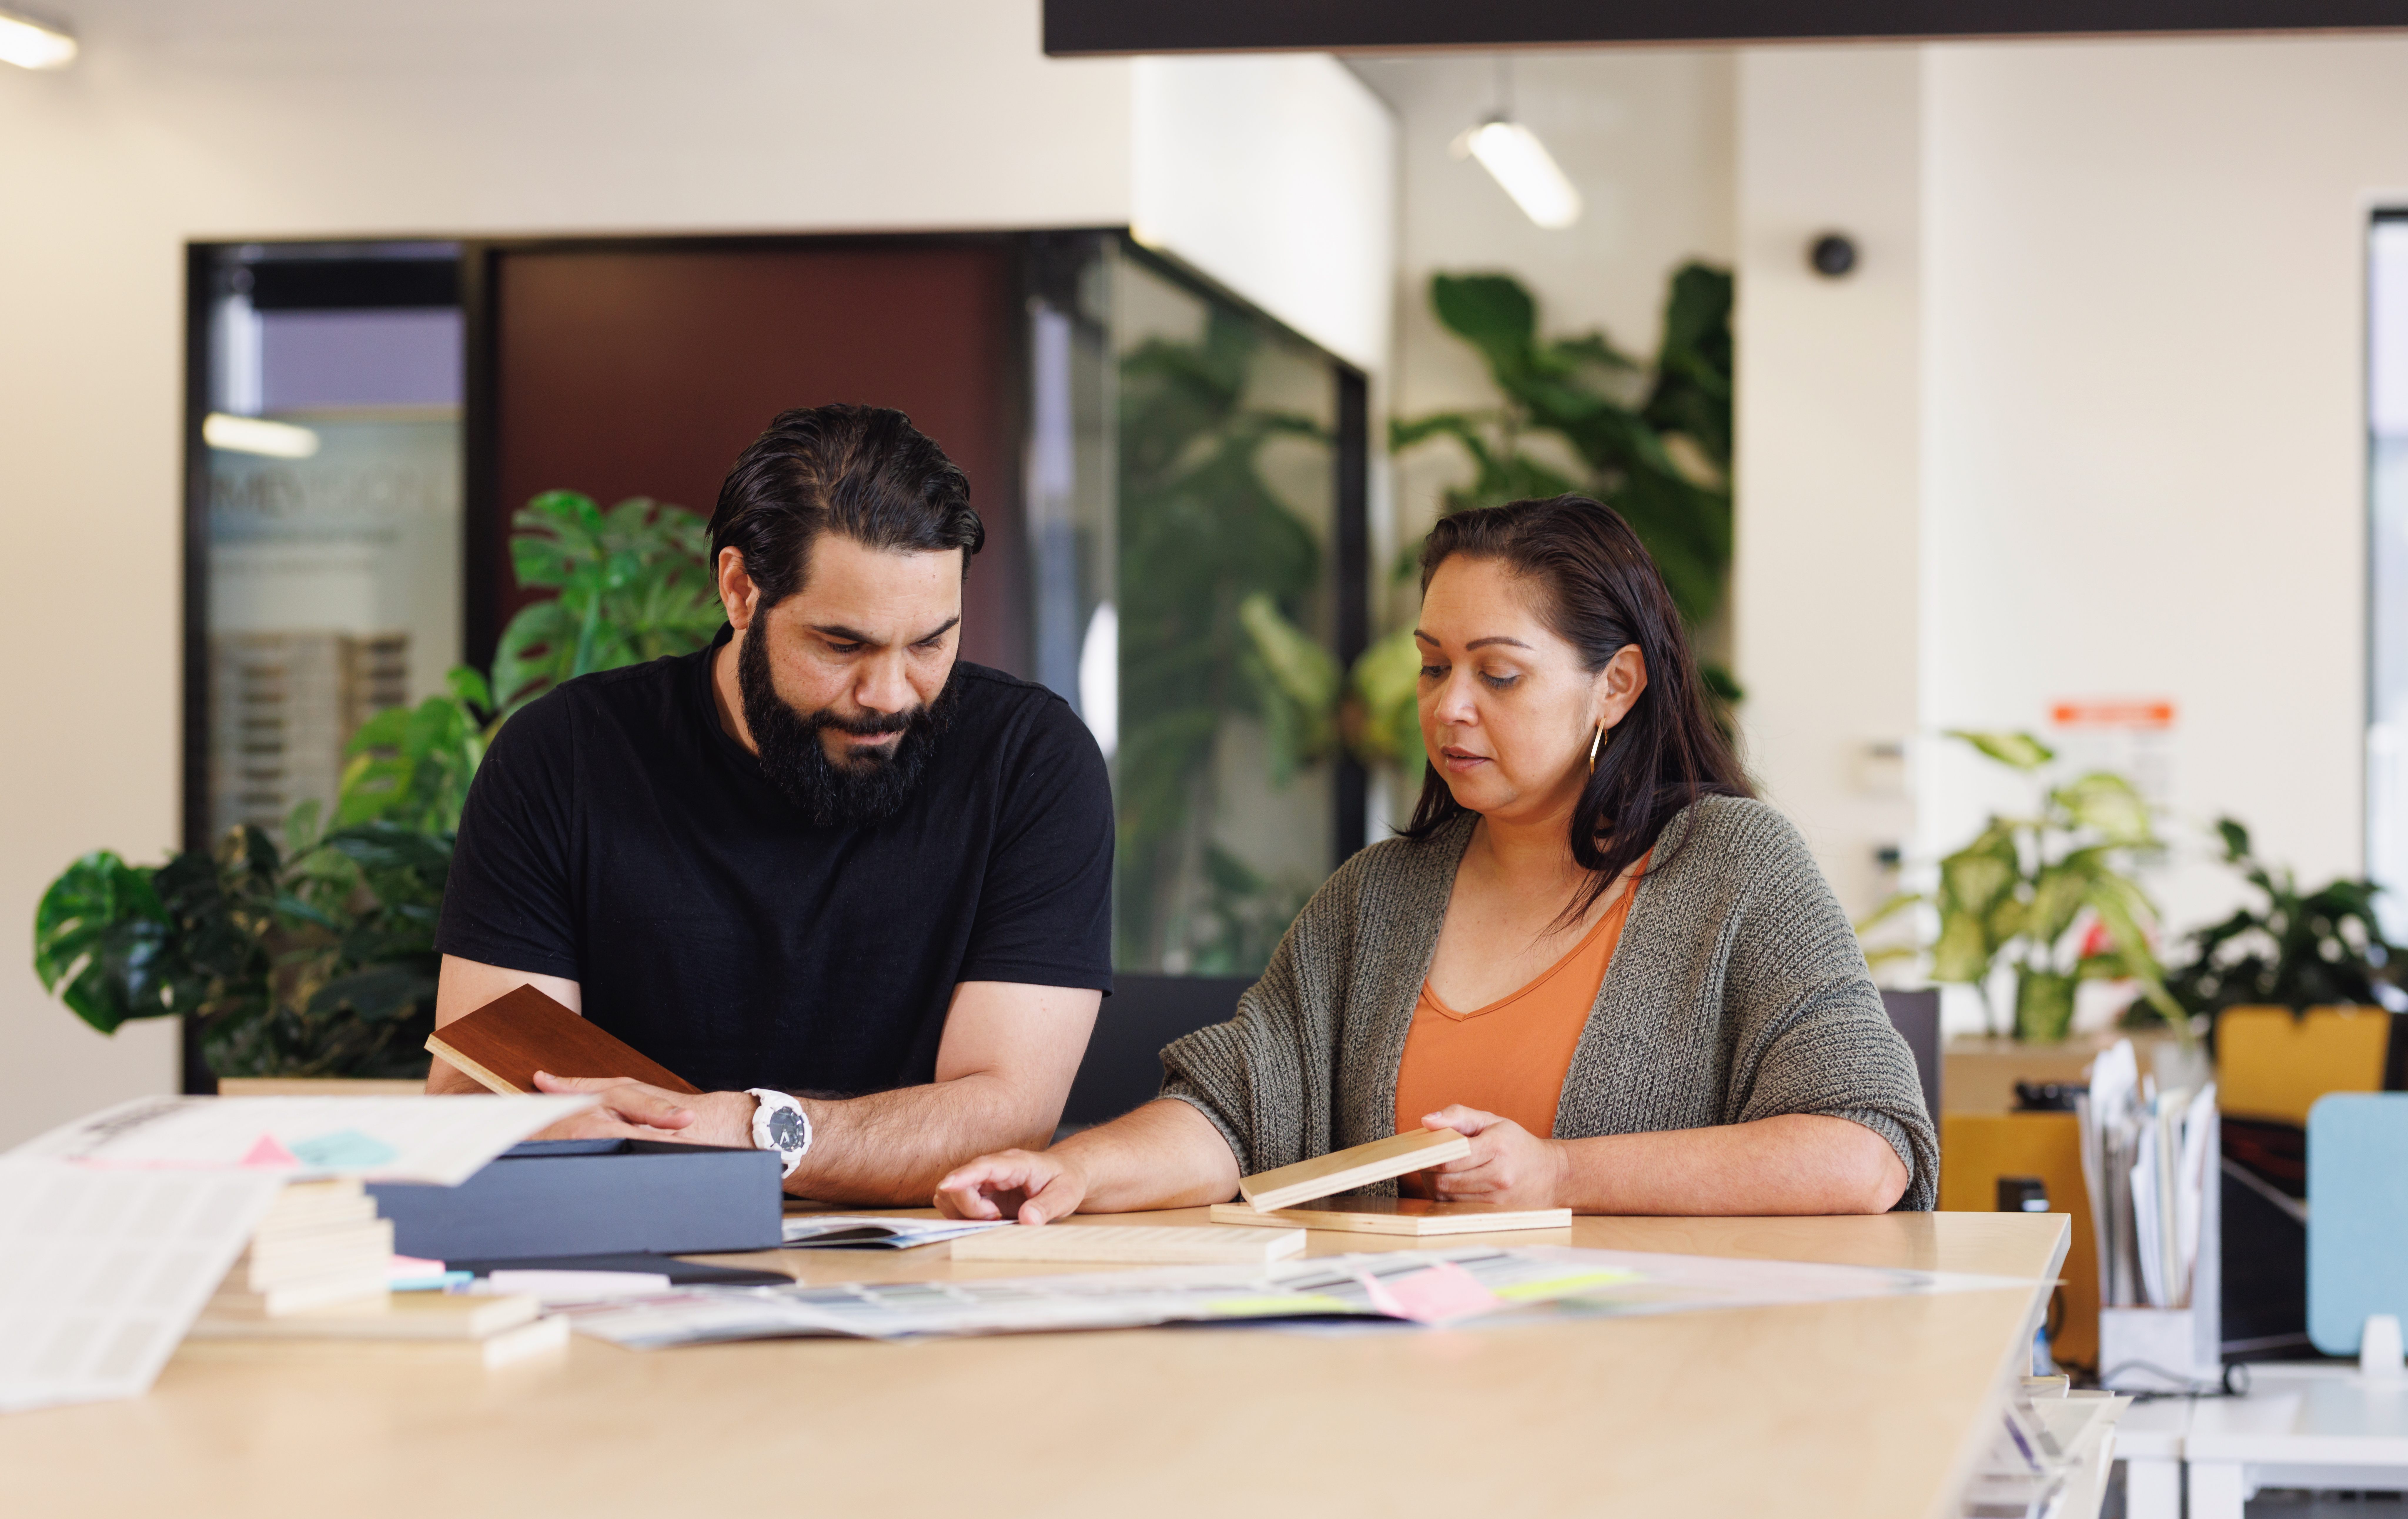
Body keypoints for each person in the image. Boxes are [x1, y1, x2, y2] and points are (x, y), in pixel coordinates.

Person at [936, 494, 1934, 1224]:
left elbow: (1866, 1152)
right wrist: (1073, 1173)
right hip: (1395, 1390)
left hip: (1647, 1391)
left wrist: (1557, 1176)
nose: (1448, 706)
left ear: (1617, 685)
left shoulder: (1735, 868)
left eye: (1498, 674)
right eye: (1432, 665)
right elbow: (1232, 1115)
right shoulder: (1379, 896)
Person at [429, 404, 1114, 1203]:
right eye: (843, 645)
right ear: (740, 590)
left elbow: (1008, 1114)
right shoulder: (563, 758)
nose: (890, 696)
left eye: (931, 643)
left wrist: (753, 1129)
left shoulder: (1029, 762)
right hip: (628, 1252)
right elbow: (482, 1092)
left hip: (924, 1278)